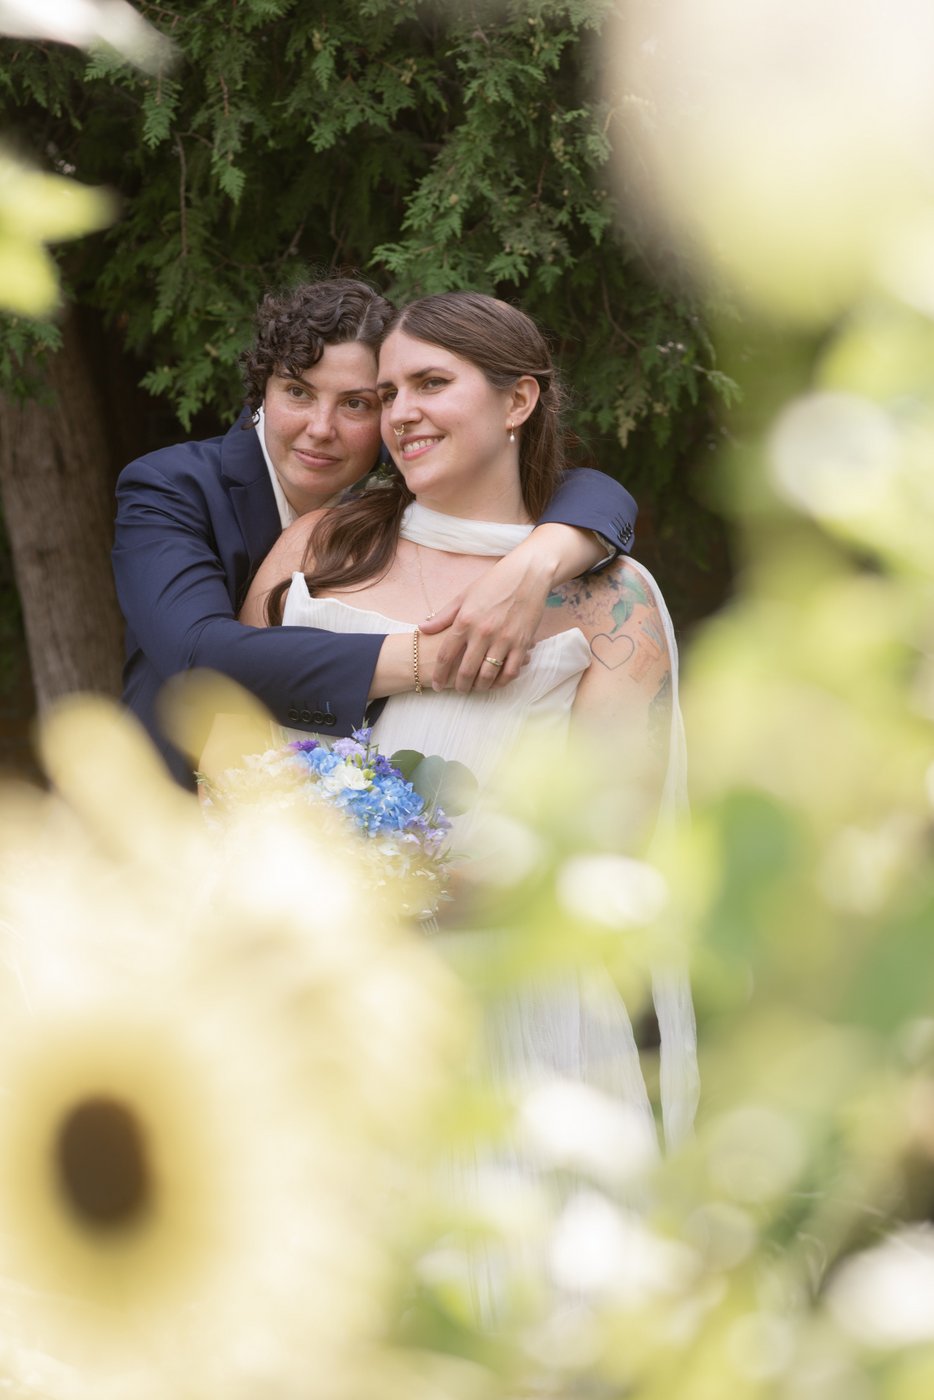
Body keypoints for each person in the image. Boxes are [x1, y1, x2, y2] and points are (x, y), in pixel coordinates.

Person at [241, 292, 698, 1178]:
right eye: (388, 391)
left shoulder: (610, 602)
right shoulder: (315, 548)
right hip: (309, 1001)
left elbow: (597, 839)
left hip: (503, 1010)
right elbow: (223, 730)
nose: (401, 412)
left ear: (517, 401)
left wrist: (383, 878)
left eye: (431, 383)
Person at [112, 278, 638, 787]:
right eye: (298, 392)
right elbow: (198, 656)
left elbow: (583, 489)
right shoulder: (172, 488)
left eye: (357, 403)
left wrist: (539, 559)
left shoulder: (406, 487)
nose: (321, 428)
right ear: (260, 396)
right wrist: (429, 659)